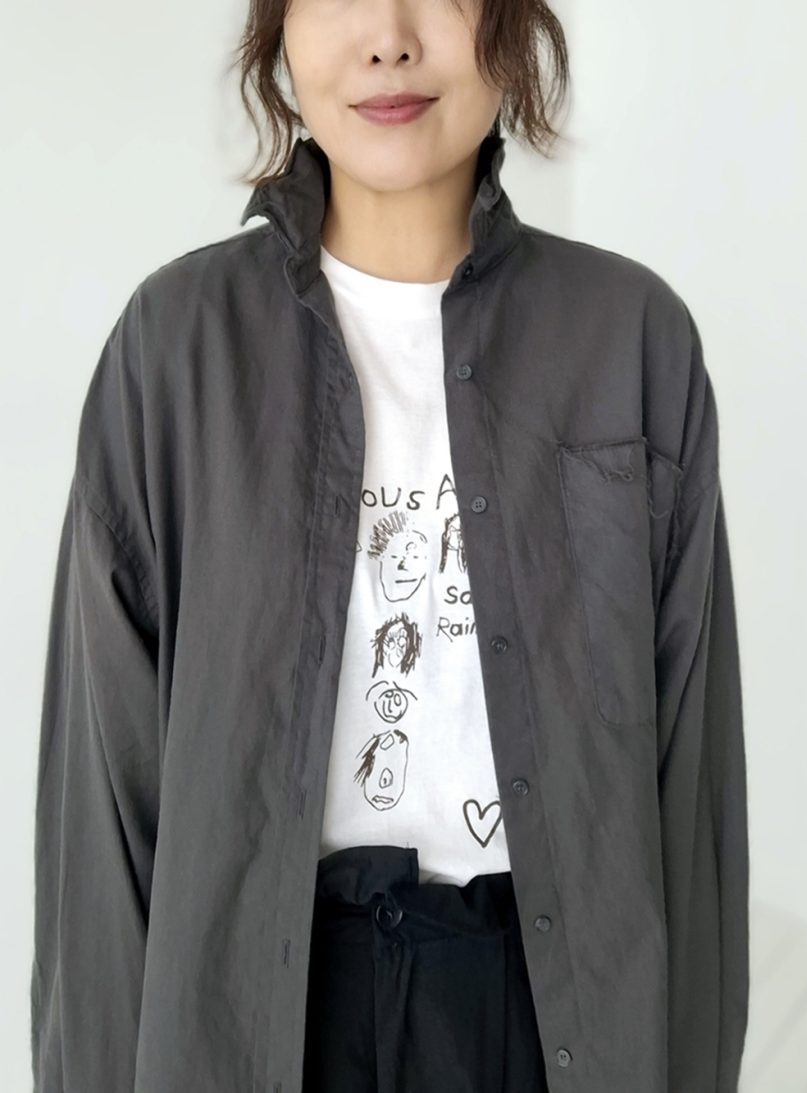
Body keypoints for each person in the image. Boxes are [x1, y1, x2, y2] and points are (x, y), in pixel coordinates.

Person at [30, 1, 749, 1091]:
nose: (389, 38)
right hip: (259, 1025)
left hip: (550, 1026)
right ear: (278, 30)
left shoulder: (631, 341)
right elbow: (102, 817)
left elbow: (693, 802)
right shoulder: (172, 352)